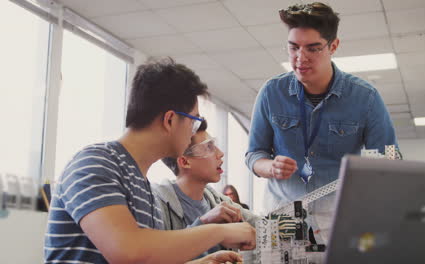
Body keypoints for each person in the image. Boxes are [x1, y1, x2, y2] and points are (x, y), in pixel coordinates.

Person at [44, 58, 255, 264]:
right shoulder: (95, 163)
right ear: (170, 120)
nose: (193, 133)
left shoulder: (144, 187)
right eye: (193, 121)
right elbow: (128, 252)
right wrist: (220, 232)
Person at [245, 2, 399, 211]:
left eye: (312, 48)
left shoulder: (366, 97)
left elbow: (389, 156)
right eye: (293, 47)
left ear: (333, 46)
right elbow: (254, 155)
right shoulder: (272, 92)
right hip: (285, 218)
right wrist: (270, 167)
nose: (300, 57)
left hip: (338, 216)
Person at [157, 119, 261, 259]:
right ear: (185, 162)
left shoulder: (218, 201)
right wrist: (204, 222)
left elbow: (262, 226)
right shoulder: (156, 204)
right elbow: (158, 257)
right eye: (209, 147)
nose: (220, 153)